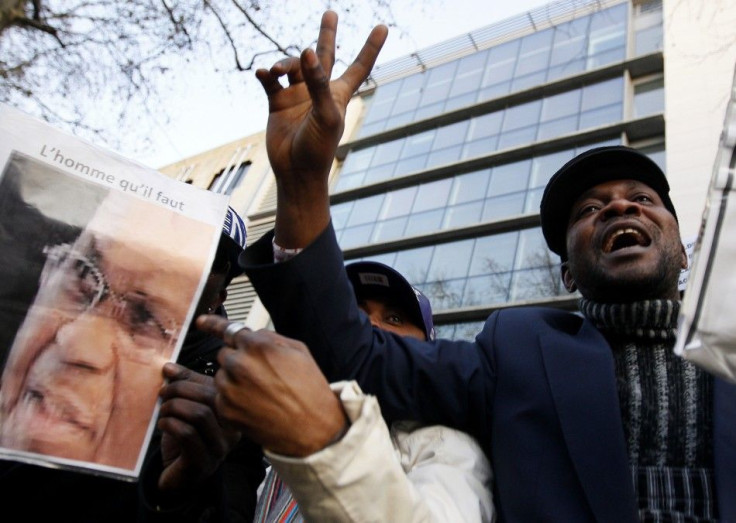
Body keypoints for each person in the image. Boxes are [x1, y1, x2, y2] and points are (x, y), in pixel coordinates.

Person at [224, 11, 736, 521]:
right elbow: (351, 354)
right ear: (568, 276)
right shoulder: (519, 349)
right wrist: (304, 184)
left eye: (643, 198)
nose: (621, 208)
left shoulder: (729, 343)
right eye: (590, 210)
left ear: (686, 250)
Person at [0, 201, 264, 522]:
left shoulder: (233, 398)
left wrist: (178, 491)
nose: (78, 345)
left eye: (147, 317)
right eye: (85, 275)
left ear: (218, 296)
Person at [241, 260, 493, 522]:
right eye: (357, 316)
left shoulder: (444, 444)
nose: (369, 326)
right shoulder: (284, 451)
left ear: (426, 352)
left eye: (394, 318)